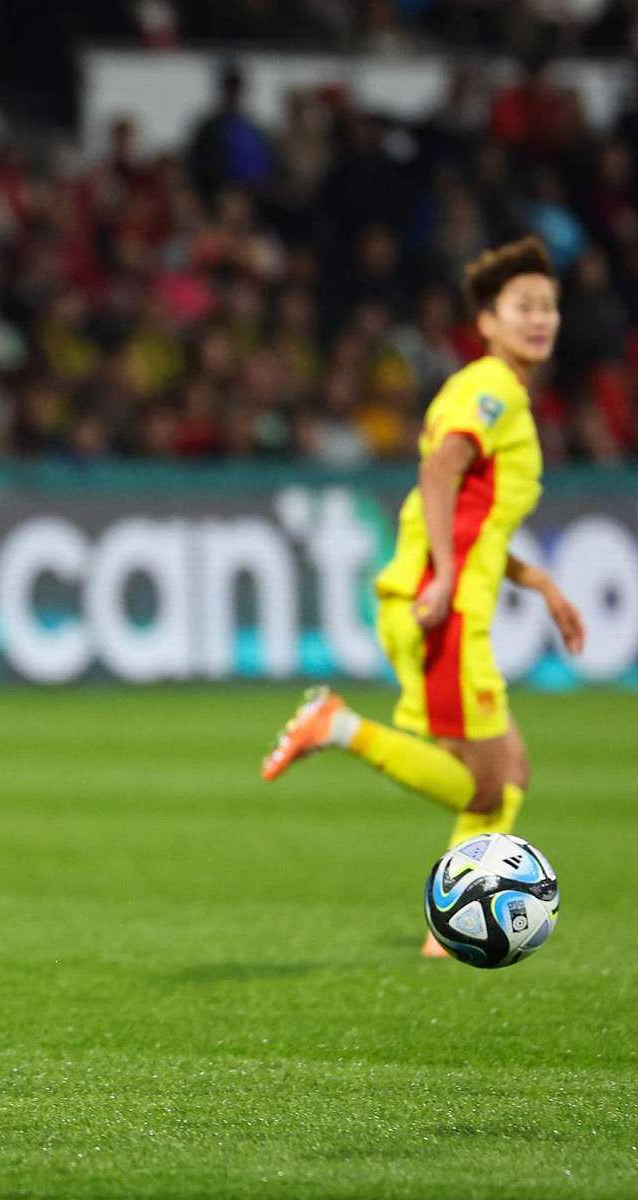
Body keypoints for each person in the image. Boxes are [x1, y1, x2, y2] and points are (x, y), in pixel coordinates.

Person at [262, 235, 586, 957]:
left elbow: (475, 516)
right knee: (486, 786)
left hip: (443, 594)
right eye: (523, 307)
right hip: (443, 603)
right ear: (490, 322)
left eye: (549, 307)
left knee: (508, 776)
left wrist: (540, 583)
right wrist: (443, 574)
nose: (541, 319)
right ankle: (339, 726)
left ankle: (451, 935)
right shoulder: (493, 387)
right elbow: (441, 472)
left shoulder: (494, 392)